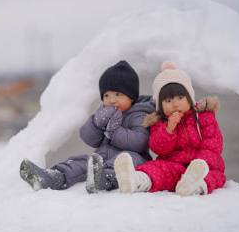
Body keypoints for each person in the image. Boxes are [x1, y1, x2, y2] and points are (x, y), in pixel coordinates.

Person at [19, 60, 156, 193]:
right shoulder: (105, 112)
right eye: (107, 95)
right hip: (101, 158)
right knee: (80, 161)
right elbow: (89, 139)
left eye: (118, 94)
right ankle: (53, 177)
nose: (112, 100)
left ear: (131, 96)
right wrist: (97, 123)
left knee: (124, 160)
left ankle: (104, 178)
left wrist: (114, 130)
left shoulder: (139, 114)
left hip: (133, 159)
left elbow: (139, 142)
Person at [114, 60, 226, 197]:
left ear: (190, 97)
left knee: (214, 176)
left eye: (180, 97)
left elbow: (213, 145)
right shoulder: (160, 122)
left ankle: (194, 186)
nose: (175, 104)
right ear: (160, 105)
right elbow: (158, 149)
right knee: (158, 169)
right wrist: (168, 130)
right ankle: (136, 180)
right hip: (175, 165)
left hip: (203, 165)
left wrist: (199, 165)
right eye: (168, 101)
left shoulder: (204, 116)